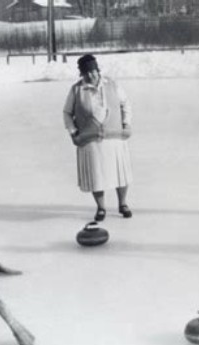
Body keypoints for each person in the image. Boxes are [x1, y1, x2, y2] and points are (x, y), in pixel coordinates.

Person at [63, 54, 133, 221]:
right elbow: (67, 113)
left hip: (115, 137)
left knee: (120, 173)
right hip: (90, 140)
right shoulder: (76, 89)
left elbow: (126, 104)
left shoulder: (113, 84)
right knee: (96, 176)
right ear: (81, 74)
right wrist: (73, 132)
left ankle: (123, 204)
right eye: (86, 72)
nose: (91, 75)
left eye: (94, 71)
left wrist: (126, 124)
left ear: (98, 71)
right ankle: (101, 208)